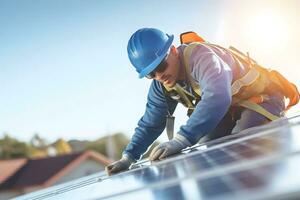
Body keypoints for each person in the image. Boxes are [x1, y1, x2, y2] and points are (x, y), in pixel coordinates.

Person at [105, 28, 299, 176]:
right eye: (150, 74)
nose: (159, 75)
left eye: (161, 65)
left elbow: (218, 96)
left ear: (173, 50)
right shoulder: (161, 84)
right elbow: (151, 122)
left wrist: (183, 138)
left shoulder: (202, 57)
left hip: (261, 100)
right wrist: (129, 156)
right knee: (209, 149)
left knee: (244, 143)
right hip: (228, 111)